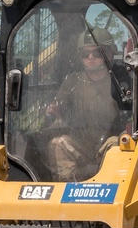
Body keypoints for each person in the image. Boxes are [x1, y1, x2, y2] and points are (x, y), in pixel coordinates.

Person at [49, 27, 126, 181]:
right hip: (81, 145)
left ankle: (111, 191)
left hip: (109, 144)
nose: (90, 57)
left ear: (109, 54)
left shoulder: (122, 82)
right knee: (58, 143)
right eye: (85, 54)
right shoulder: (72, 81)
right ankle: (68, 191)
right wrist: (53, 111)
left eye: (97, 52)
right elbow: (57, 107)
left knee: (117, 144)